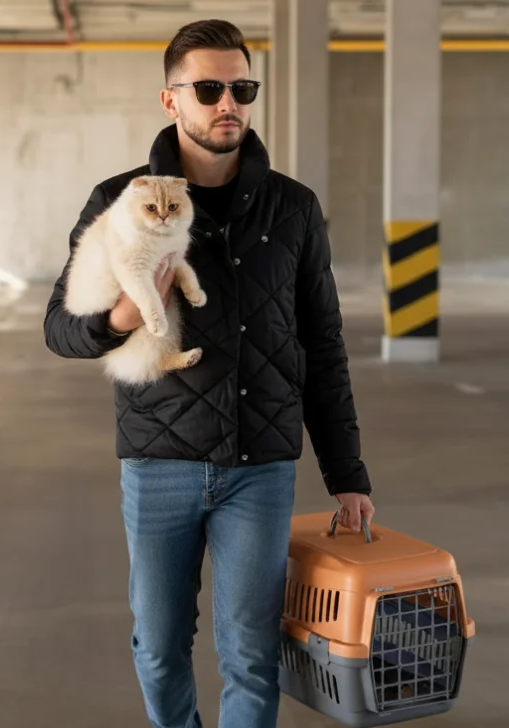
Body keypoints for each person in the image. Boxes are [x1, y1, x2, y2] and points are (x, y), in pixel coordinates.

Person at [43, 18, 375, 728]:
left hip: (262, 467)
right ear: (171, 100)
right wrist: (121, 318)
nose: (229, 103)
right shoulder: (118, 199)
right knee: (159, 650)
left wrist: (347, 474)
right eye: (209, 89)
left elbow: (322, 343)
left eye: (241, 88)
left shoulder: (293, 207)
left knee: (252, 655)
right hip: (159, 461)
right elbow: (59, 330)